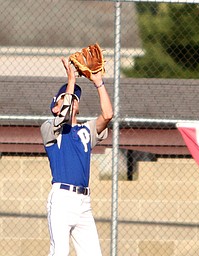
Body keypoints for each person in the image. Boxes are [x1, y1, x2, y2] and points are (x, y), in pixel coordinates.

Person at [40, 58, 113, 256]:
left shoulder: (85, 131)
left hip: (83, 203)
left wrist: (98, 82)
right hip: (61, 200)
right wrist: (70, 80)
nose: (71, 99)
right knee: (59, 252)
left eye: (74, 98)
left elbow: (107, 115)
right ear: (55, 107)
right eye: (64, 97)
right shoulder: (49, 128)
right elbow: (64, 116)